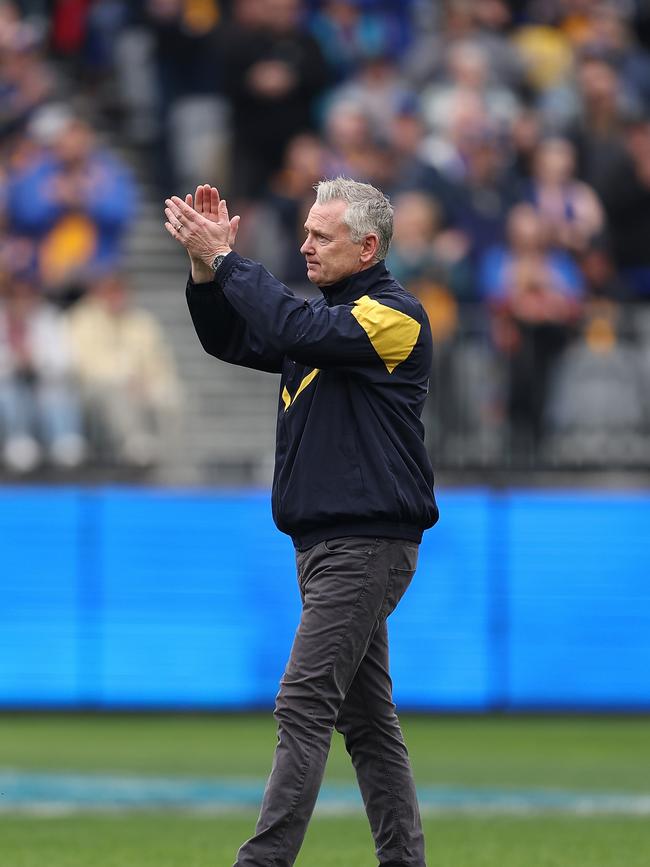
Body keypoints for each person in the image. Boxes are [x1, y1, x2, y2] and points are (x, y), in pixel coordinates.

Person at [164, 178, 438, 867]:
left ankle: (263, 861)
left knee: (303, 700)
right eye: (307, 231)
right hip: (328, 546)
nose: (305, 244)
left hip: (366, 543)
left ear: (368, 246)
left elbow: (290, 327)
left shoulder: (394, 316)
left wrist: (229, 259)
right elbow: (230, 338)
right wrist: (204, 267)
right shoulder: (327, 323)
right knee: (368, 721)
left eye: (321, 235)